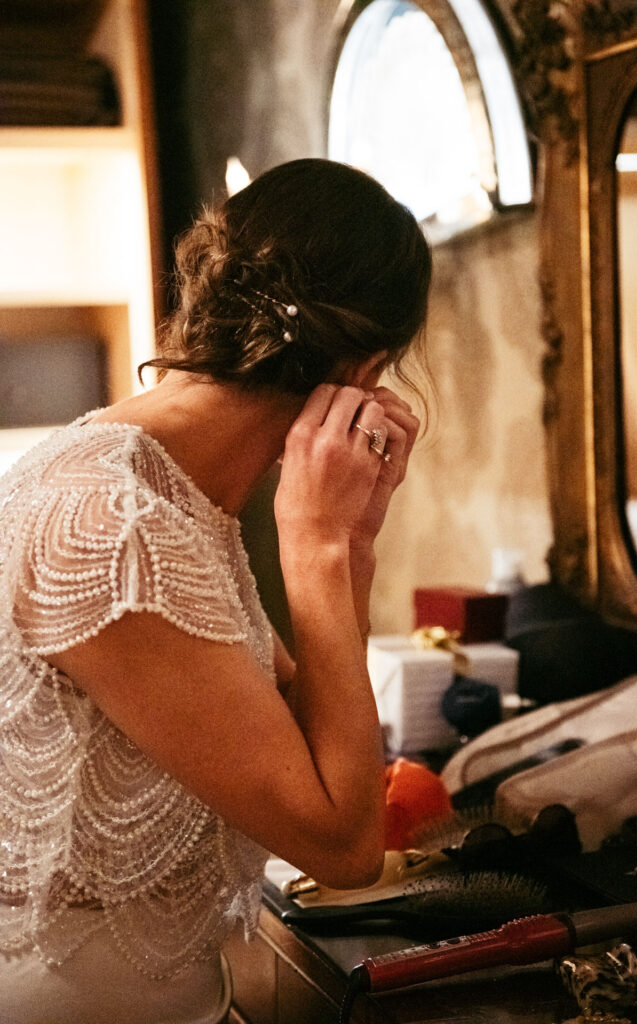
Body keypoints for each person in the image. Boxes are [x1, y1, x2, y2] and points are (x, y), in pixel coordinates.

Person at [0, 158, 431, 1023]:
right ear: (366, 371)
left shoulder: (176, 498)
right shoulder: (112, 522)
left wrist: (352, 544)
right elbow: (343, 842)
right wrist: (313, 547)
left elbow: (305, 733)